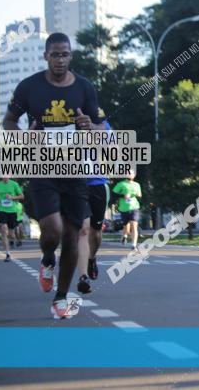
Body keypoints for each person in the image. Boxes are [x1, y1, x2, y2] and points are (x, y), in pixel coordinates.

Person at [3, 32, 100, 319]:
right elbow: (9, 122)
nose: (60, 59)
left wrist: (88, 126)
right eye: (55, 54)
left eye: (65, 54)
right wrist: (25, 138)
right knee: (53, 228)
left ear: (71, 56)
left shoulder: (85, 88)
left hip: (74, 168)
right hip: (43, 166)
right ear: (46, 56)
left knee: (72, 236)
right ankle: (47, 260)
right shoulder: (28, 87)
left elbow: (99, 128)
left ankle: (61, 296)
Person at [76, 117, 112, 294]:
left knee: (96, 233)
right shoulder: (67, 122)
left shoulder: (101, 122)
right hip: (76, 185)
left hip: (98, 184)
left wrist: (92, 127)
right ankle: (83, 276)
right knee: (83, 228)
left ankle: (92, 257)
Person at [0, 177, 24, 262]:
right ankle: (8, 253)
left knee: (11, 234)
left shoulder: (14, 184)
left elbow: (21, 196)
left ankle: (12, 241)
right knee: (3, 230)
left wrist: (12, 197)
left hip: (12, 211)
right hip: (2, 210)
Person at [113, 170, 142, 249]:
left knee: (134, 224)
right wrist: (123, 195)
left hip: (134, 207)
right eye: (127, 173)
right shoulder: (121, 184)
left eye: (131, 173)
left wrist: (135, 195)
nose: (129, 175)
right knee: (126, 226)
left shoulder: (137, 185)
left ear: (133, 176)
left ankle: (134, 245)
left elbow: (140, 195)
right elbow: (114, 194)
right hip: (124, 208)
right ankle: (125, 236)